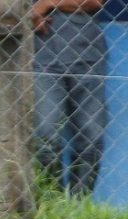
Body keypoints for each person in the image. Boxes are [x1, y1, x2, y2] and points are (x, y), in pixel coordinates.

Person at [31, 0, 107, 195]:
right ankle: (51, 203)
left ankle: (78, 206)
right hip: (42, 54)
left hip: (87, 54)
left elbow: (95, 2)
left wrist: (47, 4)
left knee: (91, 137)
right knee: (45, 135)